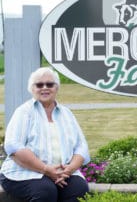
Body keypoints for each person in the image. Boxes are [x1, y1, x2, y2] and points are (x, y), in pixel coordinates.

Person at [0, 67, 90, 202]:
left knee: (79, 188)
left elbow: (81, 146)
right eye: (39, 84)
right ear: (32, 88)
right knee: (45, 191)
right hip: (24, 172)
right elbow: (13, 146)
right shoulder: (24, 112)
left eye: (49, 84)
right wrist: (46, 170)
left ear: (57, 88)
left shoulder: (66, 113)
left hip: (62, 173)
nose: (45, 88)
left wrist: (69, 170)